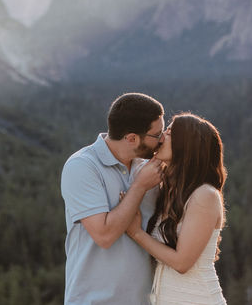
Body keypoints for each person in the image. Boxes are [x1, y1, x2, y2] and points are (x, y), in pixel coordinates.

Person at [61, 92, 166, 304]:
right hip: (93, 300)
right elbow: (104, 235)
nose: (162, 139)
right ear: (131, 138)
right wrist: (139, 187)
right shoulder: (82, 166)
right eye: (157, 134)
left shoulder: (148, 168)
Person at [125, 113, 227, 305]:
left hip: (198, 299)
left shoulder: (205, 195)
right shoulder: (171, 193)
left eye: (170, 132)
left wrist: (136, 233)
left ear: (186, 145)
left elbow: (182, 263)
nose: (162, 137)